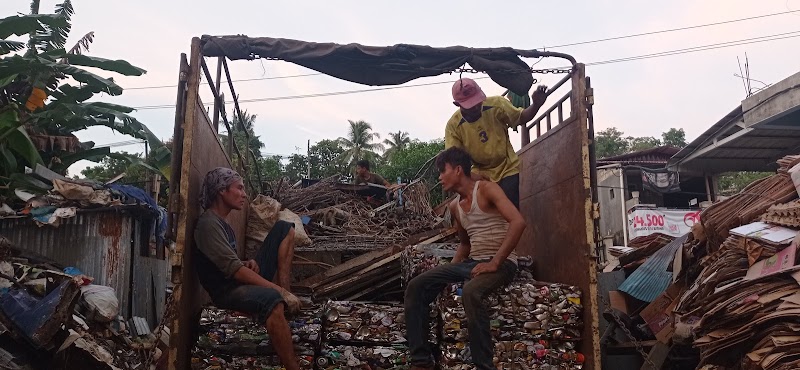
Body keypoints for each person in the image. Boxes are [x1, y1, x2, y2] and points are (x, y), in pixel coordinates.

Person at [404, 147, 527, 370]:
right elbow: (465, 244)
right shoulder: (454, 206)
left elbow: (518, 222)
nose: (440, 177)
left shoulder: (488, 190)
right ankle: (421, 361)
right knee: (417, 286)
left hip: (503, 263)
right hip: (472, 262)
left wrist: (495, 262)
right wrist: (446, 274)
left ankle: (484, 365)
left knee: (471, 291)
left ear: (458, 170)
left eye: (443, 171)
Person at [194, 167, 302, 370]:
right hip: (227, 291)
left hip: (237, 280)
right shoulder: (208, 224)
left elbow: (228, 262)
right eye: (239, 188)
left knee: (284, 227)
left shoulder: (222, 223)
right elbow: (233, 271)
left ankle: (288, 296)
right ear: (222, 191)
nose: (244, 194)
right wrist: (278, 291)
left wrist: (245, 263)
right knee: (272, 300)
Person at [444, 78, 548, 208]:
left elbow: (521, 117)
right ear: (457, 104)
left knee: (510, 208)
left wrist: (536, 105)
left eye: (477, 102)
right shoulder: (453, 126)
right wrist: (472, 175)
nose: (476, 107)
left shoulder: (497, 104)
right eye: (470, 106)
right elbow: (454, 160)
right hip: (479, 173)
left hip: (507, 167)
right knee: (484, 211)